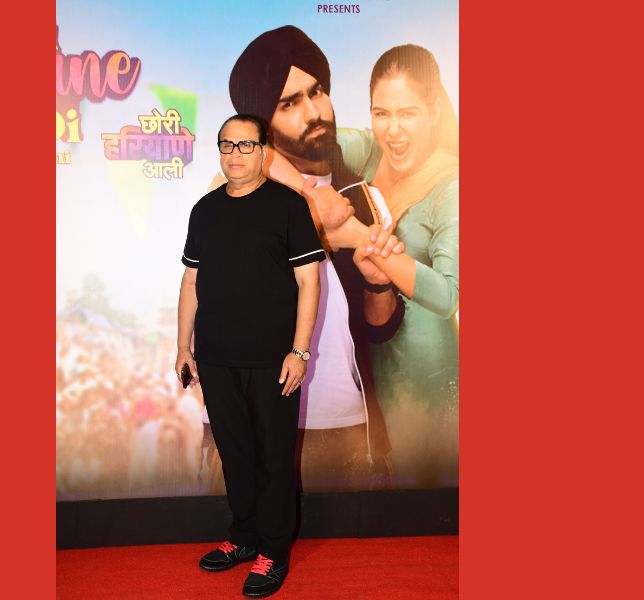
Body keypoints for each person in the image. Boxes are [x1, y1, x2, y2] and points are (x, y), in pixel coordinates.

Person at [225, 25, 406, 492]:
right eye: (288, 104)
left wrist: (377, 283)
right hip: (263, 427)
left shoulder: (365, 198)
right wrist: (312, 204)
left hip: (353, 430)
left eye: (316, 92)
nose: (313, 112)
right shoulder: (238, 196)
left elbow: (379, 330)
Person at [176, 114, 323, 597]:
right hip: (216, 358)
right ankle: (243, 537)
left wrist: (299, 351)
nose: (235, 154)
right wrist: (183, 347)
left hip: (274, 360)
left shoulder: (289, 206)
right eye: (227, 145)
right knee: (235, 454)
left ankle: (273, 552)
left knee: (274, 457)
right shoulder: (205, 210)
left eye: (245, 145)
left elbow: (309, 281)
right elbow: (191, 281)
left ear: (264, 152)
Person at [346, 44, 460, 486]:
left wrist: (364, 241)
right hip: (371, 362)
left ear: (434, 111)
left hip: (425, 372)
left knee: (426, 496)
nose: (392, 131)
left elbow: (448, 295)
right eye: (381, 113)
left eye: (408, 113)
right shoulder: (372, 153)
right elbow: (298, 137)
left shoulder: (452, 184)